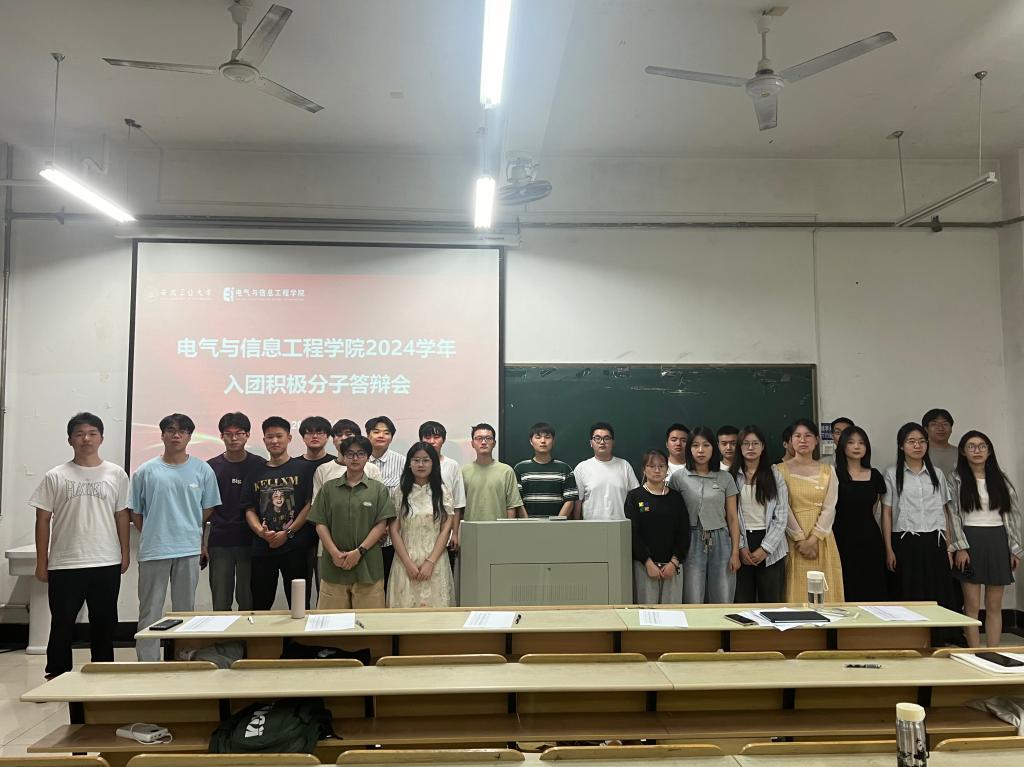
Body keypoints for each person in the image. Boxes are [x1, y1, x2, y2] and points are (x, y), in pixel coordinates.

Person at [30, 413, 130, 678]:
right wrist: (42, 562)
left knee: (104, 623)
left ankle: (102, 673)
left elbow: (122, 515)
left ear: (101, 438)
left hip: (105, 560)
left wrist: (125, 552)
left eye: (92, 433)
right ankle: (57, 675)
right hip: (65, 562)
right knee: (62, 623)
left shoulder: (116, 474)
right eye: (79, 434)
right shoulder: (56, 476)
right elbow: (42, 519)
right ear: (70, 440)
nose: (86, 438)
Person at [130, 413, 220, 661]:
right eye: (170, 430)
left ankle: (182, 657)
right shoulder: (146, 471)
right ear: (162, 435)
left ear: (190, 436)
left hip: (188, 549)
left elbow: (208, 508)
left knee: (185, 610)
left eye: (182, 431)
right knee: (150, 610)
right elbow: (136, 512)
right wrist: (155, 531)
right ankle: (148, 662)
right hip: (154, 550)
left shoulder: (202, 469)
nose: (176, 435)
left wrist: (188, 526)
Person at [947, 431, 1022, 647]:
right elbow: (952, 515)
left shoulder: (1000, 478)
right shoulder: (955, 479)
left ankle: (993, 651)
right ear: (963, 451)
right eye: (971, 446)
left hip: (998, 539)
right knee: (971, 605)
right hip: (970, 540)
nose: (977, 450)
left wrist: (1014, 549)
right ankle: (974, 653)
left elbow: (1013, 515)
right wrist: (960, 547)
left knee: (994, 605)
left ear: (989, 451)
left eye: (982, 446)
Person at [308, 435, 395, 609]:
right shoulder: (328, 488)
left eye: (360, 453)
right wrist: (334, 553)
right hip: (335, 565)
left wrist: (359, 552)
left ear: (368, 457)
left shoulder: (378, 489)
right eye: (350, 454)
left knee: (369, 622)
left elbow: (381, 525)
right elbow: (320, 523)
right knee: (331, 621)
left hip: (368, 566)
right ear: (343, 456)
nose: (355, 458)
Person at [240, 417, 317, 611]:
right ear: (264, 440)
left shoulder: (305, 469)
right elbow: (249, 508)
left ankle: (297, 634)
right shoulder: (254, 472)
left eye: (279, 436)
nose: (274, 441)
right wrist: (261, 532)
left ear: (289, 438)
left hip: (296, 547)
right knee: (260, 603)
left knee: (299, 604)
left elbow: (309, 505)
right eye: (270, 437)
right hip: (262, 547)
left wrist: (288, 533)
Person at [881, 422, 956, 612]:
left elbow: (944, 512)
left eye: (922, 441)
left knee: (937, 593)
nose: (917, 446)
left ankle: (937, 630)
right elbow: (886, 513)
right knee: (909, 593)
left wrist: (949, 549)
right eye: (911, 441)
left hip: (935, 541)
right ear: (901, 446)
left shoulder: (937, 473)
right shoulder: (891, 474)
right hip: (905, 541)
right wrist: (888, 549)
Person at [667, 426, 740, 603]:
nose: (700, 450)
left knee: (723, 594)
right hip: (690, 540)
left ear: (713, 448)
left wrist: (735, 553)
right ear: (689, 449)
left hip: (721, 540)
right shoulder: (678, 478)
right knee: (693, 595)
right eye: (695, 445)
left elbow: (732, 518)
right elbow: (673, 517)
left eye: (706, 445)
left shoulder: (725, 478)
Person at [778, 419, 845, 603]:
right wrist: (801, 540)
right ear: (790, 441)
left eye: (808, 436)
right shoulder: (778, 470)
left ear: (816, 440)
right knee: (795, 590)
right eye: (797, 436)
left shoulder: (828, 471)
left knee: (825, 594)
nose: (803, 440)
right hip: (792, 539)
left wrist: (813, 539)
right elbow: (784, 507)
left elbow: (829, 507)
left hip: (822, 538)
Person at [206, 412, 265, 611]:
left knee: (248, 599)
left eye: (239, 433)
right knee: (220, 600)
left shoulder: (259, 465)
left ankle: (247, 633)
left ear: (247, 435)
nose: (233, 438)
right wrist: (200, 543)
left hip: (252, 540)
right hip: (220, 540)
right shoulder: (211, 467)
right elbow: (203, 508)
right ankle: (222, 633)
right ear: (221, 436)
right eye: (228, 434)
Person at [387, 442, 455, 608]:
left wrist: (430, 562)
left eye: (426, 460)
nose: (421, 464)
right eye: (416, 460)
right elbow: (394, 530)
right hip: (405, 562)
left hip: (435, 562)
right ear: (409, 464)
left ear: (433, 463)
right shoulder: (400, 491)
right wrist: (408, 563)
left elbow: (446, 529)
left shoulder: (442, 491)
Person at [729, 425, 789, 603]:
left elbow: (781, 515)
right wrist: (740, 547)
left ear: (762, 447)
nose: (750, 447)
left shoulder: (775, 475)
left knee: (771, 602)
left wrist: (766, 549)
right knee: (742, 602)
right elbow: (729, 516)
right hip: (741, 543)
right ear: (739, 447)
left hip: (771, 545)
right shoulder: (731, 476)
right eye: (746, 443)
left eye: (755, 443)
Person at [624, 449, 689, 604]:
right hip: (644, 566)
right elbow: (633, 533)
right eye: (651, 466)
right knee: (647, 612)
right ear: (644, 469)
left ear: (667, 469)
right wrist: (647, 562)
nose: (657, 470)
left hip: (672, 566)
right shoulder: (635, 497)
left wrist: (674, 562)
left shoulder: (676, 497)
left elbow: (684, 531)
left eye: (661, 466)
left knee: (672, 613)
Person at [833, 425, 888, 601]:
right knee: (845, 584)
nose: (857, 446)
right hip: (840, 537)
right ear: (843, 446)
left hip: (869, 537)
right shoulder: (833, 475)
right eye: (851, 442)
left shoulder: (875, 475)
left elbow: (875, 508)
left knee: (872, 584)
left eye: (861, 443)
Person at [365, 416, 404, 588]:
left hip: (392, 535)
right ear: (368, 435)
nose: (381, 435)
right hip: (363, 534)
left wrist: (387, 527)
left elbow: (405, 499)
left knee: (389, 583)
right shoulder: (358, 461)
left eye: (386, 433)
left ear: (392, 437)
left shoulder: (402, 462)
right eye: (376, 432)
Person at [418, 421, 467, 556]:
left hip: (445, 533)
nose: (432, 441)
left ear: (443, 440)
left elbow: (457, 504)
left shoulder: (452, 465)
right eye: (427, 437)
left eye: (436, 437)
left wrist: (455, 533)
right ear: (421, 440)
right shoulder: (415, 464)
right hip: (418, 532)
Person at [573, 422, 639, 520]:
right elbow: (578, 502)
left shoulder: (624, 465)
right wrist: (576, 525)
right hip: (591, 526)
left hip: (620, 525)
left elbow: (637, 496)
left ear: (613, 442)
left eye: (606, 438)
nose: (602, 442)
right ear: (591, 443)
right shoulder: (582, 468)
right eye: (597, 438)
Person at [460, 423, 523, 522]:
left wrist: (508, 528)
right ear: (472, 443)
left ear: (494, 443)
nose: (483, 442)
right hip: (471, 528)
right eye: (479, 438)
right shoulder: (463, 472)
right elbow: (459, 507)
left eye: (488, 438)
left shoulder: (506, 471)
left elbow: (511, 506)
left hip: (498, 529)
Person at [513, 422, 578, 518]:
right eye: (538, 437)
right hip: (528, 525)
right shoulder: (520, 469)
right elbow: (517, 501)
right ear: (531, 441)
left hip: (557, 525)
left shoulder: (565, 469)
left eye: (547, 437)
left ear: (553, 441)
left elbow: (570, 501)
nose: (543, 441)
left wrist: (556, 523)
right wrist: (527, 523)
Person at [312, 419, 382, 503]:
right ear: (333, 440)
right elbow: (317, 504)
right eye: (339, 435)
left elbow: (379, 500)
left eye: (348, 434)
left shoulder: (371, 469)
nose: (343, 438)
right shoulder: (323, 470)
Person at [922, 408, 957, 475]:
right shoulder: (919, 453)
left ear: (951, 429)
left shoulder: (961, 454)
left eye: (945, 424)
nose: (940, 428)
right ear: (926, 429)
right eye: (934, 424)